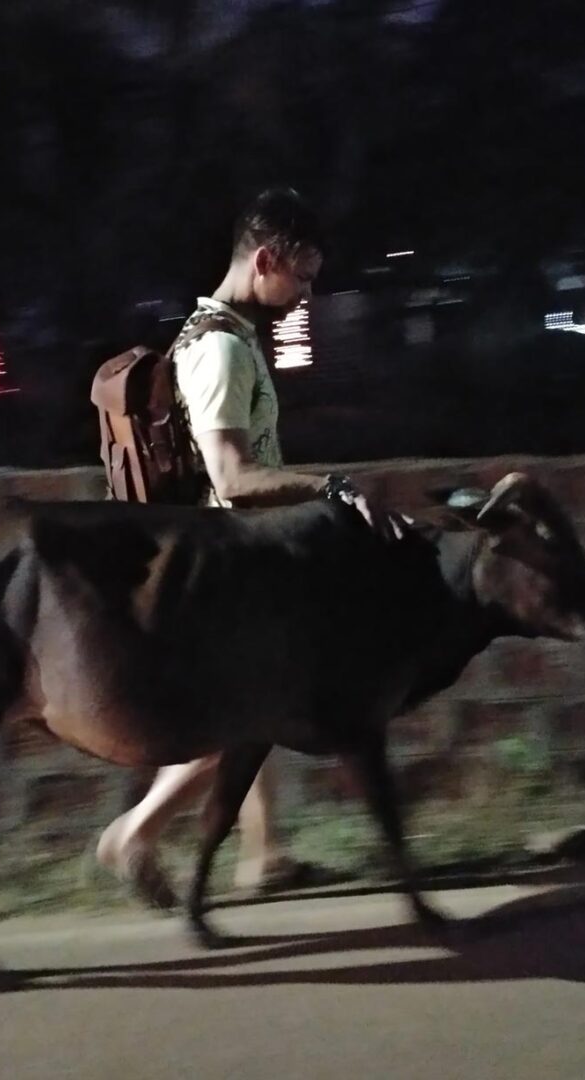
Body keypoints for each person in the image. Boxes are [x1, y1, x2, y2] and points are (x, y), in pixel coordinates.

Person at [95, 187, 402, 909]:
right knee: (256, 714)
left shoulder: (215, 333)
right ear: (265, 260)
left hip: (227, 558)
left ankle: (264, 854)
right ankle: (135, 833)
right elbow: (232, 476)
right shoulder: (223, 350)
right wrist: (329, 487)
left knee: (254, 713)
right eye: (301, 276)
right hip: (228, 566)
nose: (306, 293)